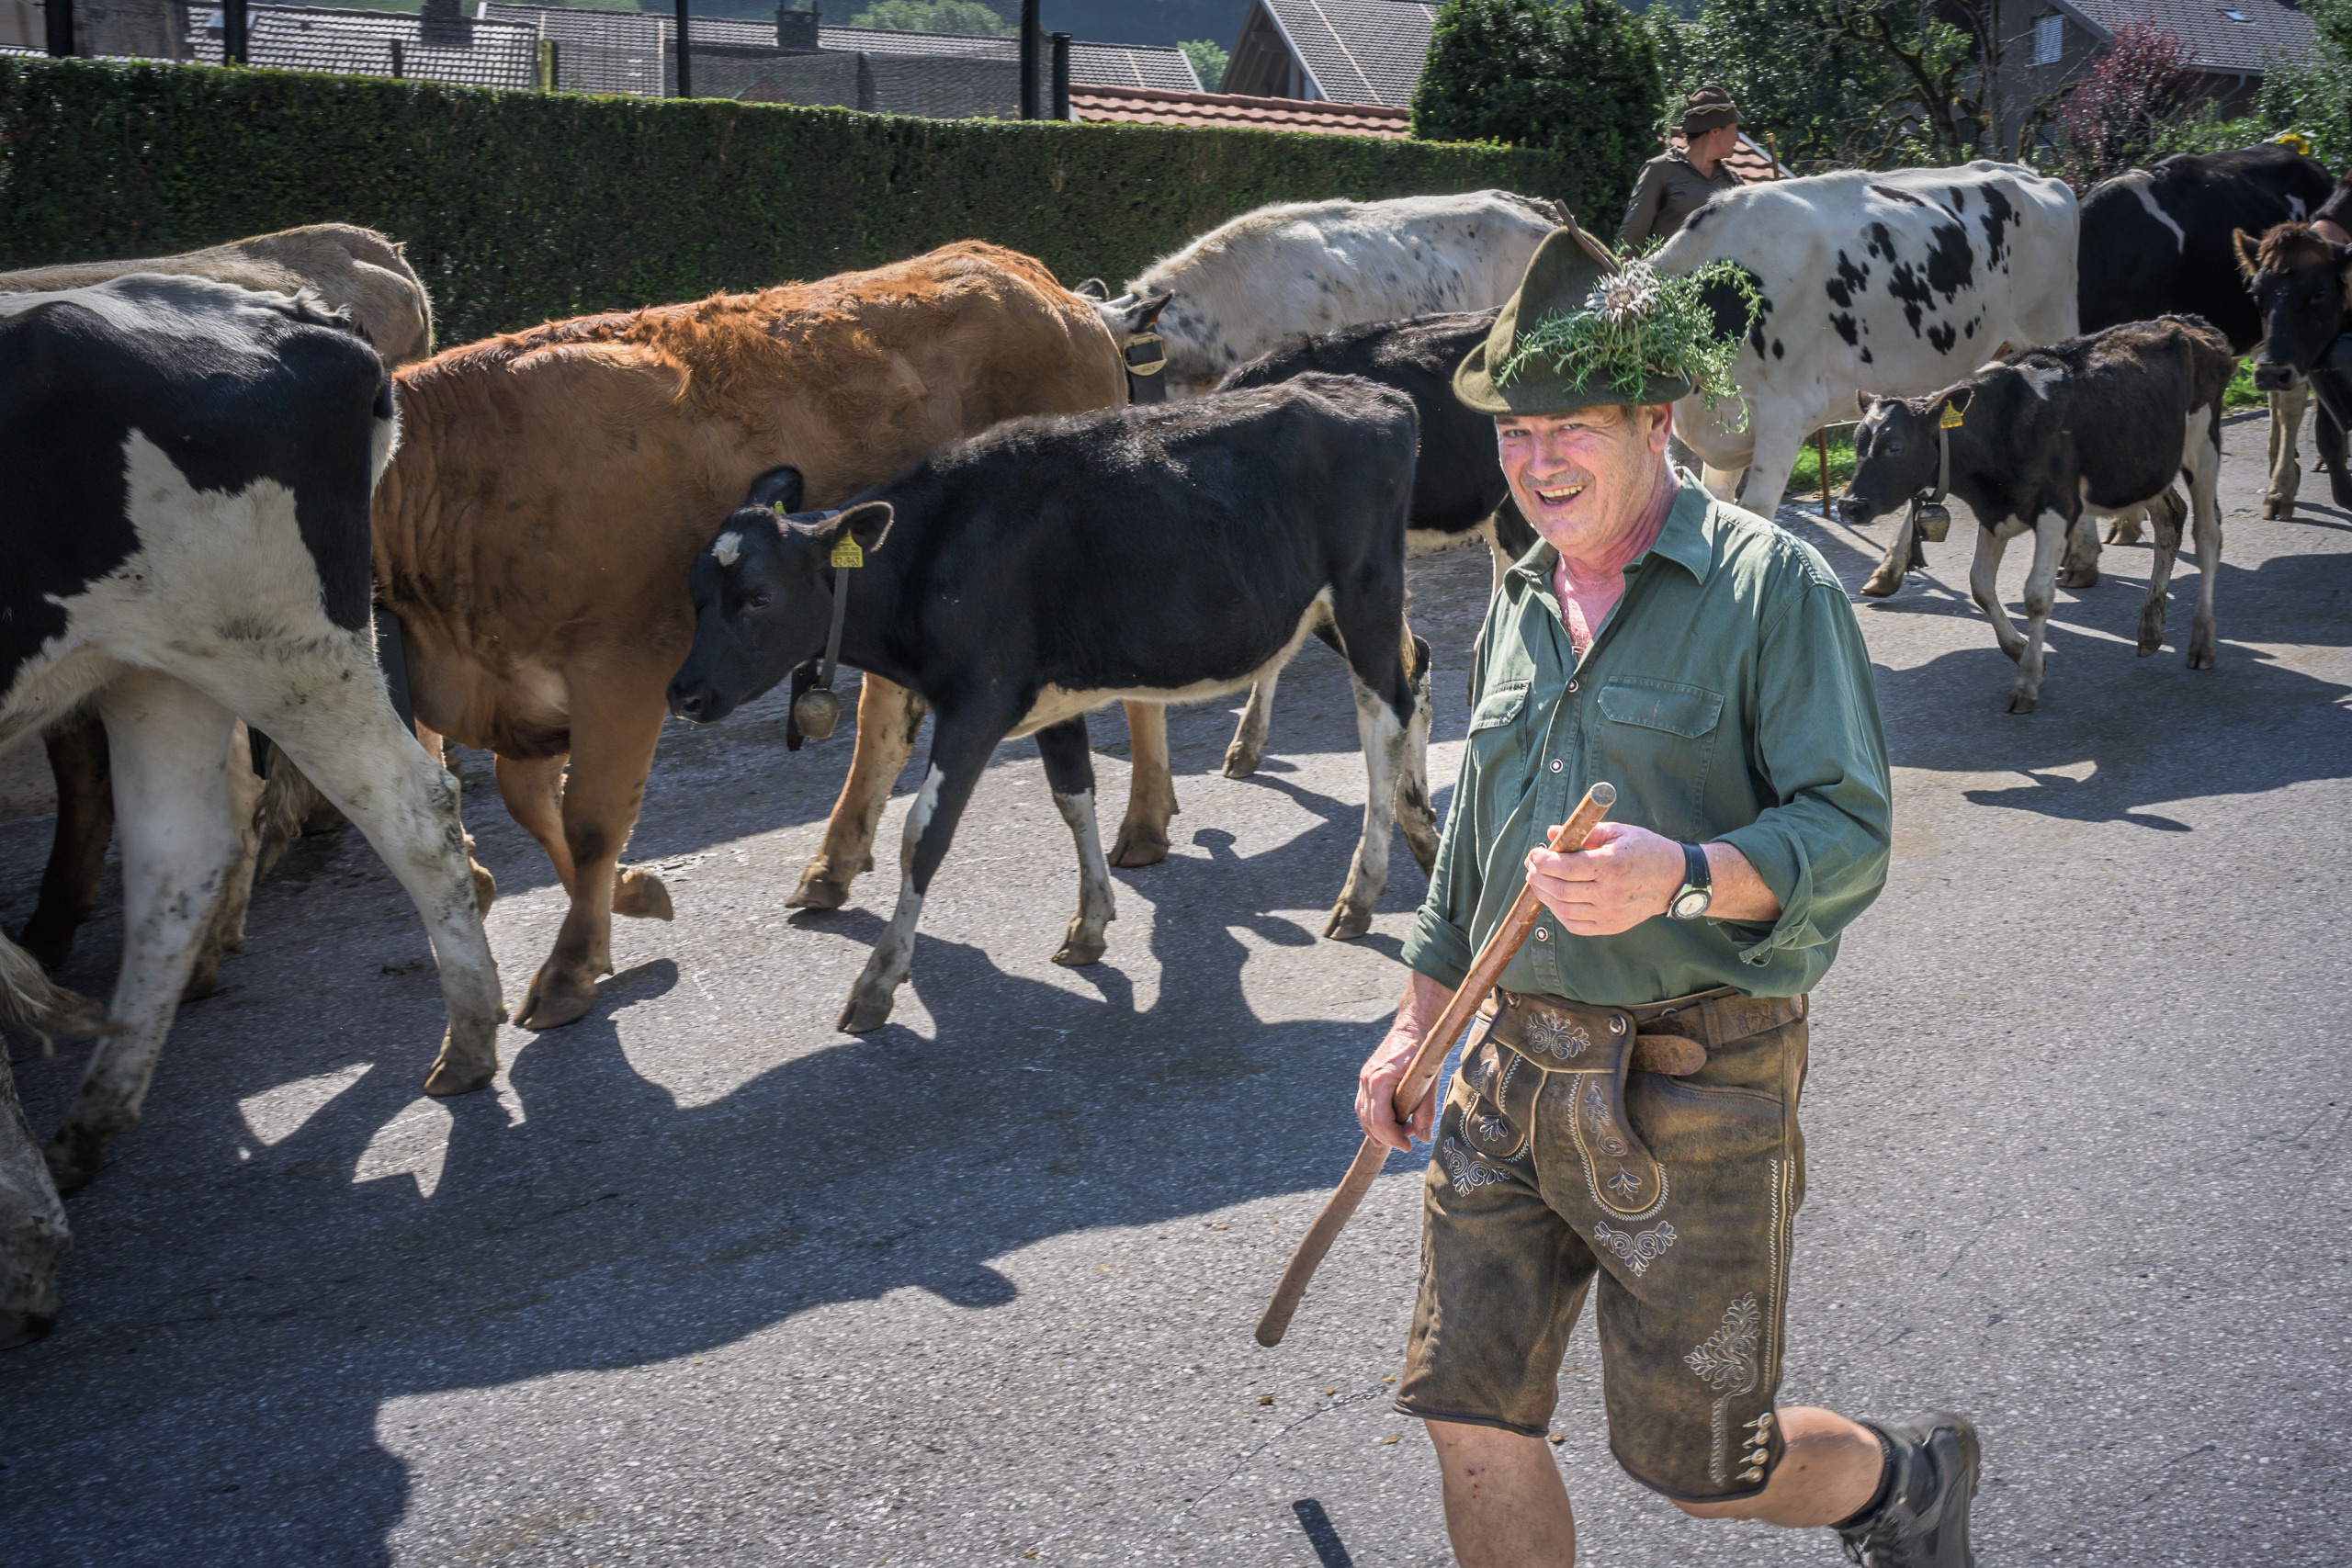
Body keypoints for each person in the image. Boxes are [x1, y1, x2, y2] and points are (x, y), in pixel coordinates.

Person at [1353, 220, 1980, 1568]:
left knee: (1699, 1470)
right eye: (1515, 436)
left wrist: (1679, 877)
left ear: (1651, 416)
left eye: (1568, 426)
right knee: (1467, 1412)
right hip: (1513, 1076)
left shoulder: (1771, 588)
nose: (1535, 463)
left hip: (1700, 1082)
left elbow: (1851, 832)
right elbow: (1473, 851)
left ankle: (1902, 1486)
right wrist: (1415, 1029)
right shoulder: (1517, 597)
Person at [1620, 85, 1748, 250]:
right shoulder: (1659, 170)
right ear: (1715, 131)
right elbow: (1630, 239)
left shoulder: (1734, 182)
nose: (1738, 137)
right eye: (1734, 129)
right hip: (1664, 275)